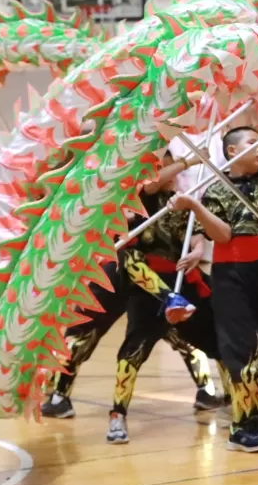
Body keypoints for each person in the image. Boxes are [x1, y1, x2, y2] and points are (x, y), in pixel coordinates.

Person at [41, 153, 226, 429]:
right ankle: (59, 395)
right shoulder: (132, 190)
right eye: (161, 167)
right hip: (120, 271)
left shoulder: (178, 202)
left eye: (170, 166)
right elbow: (149, 184)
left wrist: (197, 251)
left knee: (183, 331)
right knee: (85, 330)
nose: (168, 172)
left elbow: (195, 233)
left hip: (160, 276)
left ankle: (206, 391)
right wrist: (189, 161)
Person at [171, 121, 258, 453]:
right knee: (244, 349)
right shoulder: (215, 189)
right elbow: (224, 236)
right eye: (252, 143)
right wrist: (196, 207)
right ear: (232, 151)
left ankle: (254, 414)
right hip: (232, 275)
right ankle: (240, 426)